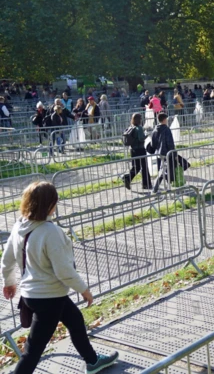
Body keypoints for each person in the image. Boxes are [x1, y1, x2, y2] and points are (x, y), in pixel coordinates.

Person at [1, 181, 119, 374]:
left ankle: (92, 361)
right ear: (49, 205)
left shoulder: (18, 227)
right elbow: (63, 270)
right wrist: (84, 290)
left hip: (34, 294)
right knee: (33, 351)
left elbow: (6, 261)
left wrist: (10, 283)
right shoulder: (51, 232)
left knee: (75, 320)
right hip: (48, 297)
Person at [121, 114, 151, 190]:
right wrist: (147, 135)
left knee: (136, 167)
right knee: (144, 167)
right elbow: (141, 138)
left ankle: (127, 178)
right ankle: (146, 184)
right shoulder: (139, 128)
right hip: (140, 149)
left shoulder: (131, 127)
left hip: (133, 150)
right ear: (139, 119)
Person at [150, 113, 175, 193]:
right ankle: (155, 188)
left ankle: (168, 186)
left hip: (158, 153)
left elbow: (152, 144)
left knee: (164, 170)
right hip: (166, 152)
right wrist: (173, 153)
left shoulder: (155, 129)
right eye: (166, 119)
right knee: (163, 171)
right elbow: (170, 142)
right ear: (164, 120)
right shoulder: (167, 130)